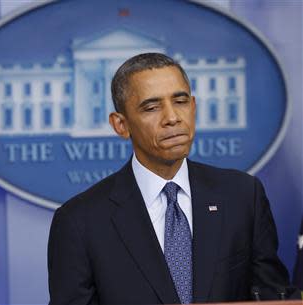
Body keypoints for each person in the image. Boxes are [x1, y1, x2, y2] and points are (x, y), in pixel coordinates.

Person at [47, 53, 300, 305]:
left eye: (180, 101)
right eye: (152, 107)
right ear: (121, 125)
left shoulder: (243, 196)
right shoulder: (79, 222)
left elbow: (272, 296)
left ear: (193, 107)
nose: (172, 118)